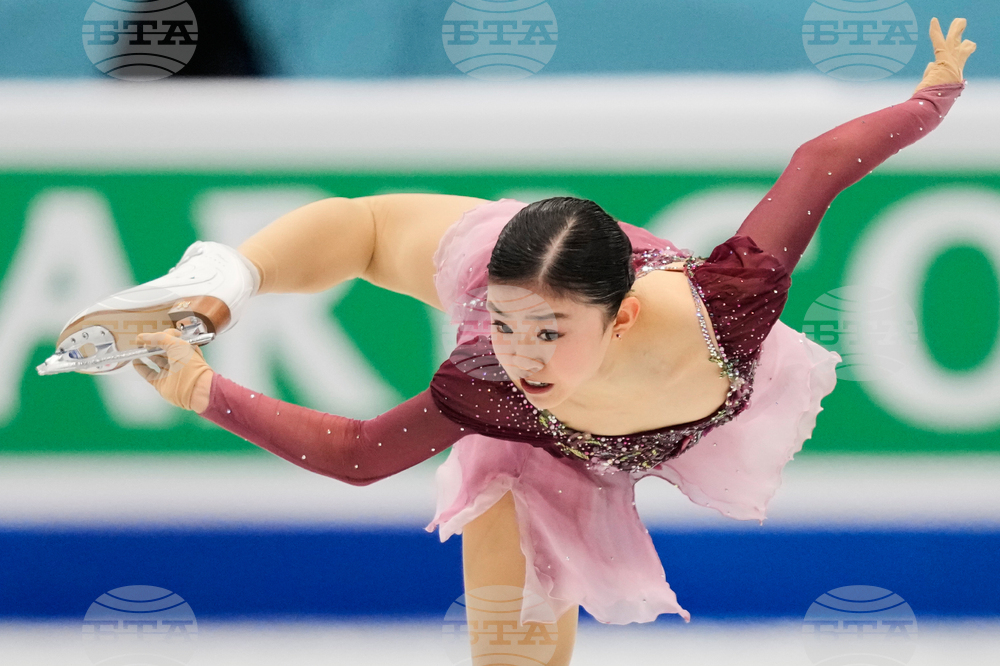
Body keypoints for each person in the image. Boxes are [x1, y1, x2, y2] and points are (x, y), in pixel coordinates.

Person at [55, 16, 975, 666]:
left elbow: (819, 164)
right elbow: (362, 455)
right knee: (368, 231)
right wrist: (196, 385)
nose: (519, 352)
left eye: (541, 334)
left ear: (617, 320)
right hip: (533, 321)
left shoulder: (726, 304)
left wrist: (933, 100)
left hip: (618, 290)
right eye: (499, 326)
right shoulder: (495, 372)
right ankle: (220, 281)